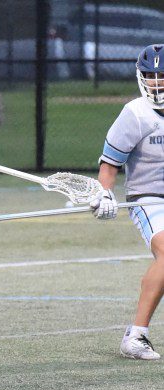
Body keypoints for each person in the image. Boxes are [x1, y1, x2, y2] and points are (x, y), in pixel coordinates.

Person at [91, 44, 164, 360]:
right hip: (149, 199)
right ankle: (136, 336)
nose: (156, 82)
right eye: (150, 75)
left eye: (162, 75)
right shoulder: (135, 113)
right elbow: (109, 165)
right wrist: (104, 192)